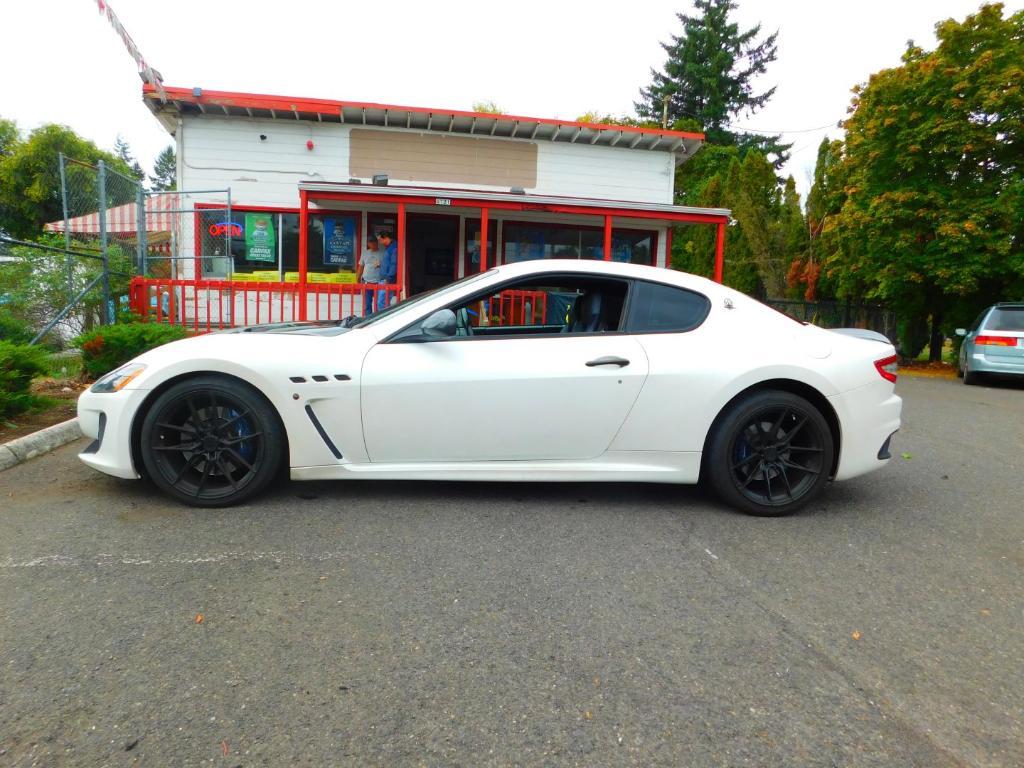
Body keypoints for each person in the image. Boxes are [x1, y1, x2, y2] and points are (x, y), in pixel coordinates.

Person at [357, 236, 382, 316]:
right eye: (370, 242)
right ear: (368, 244)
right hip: (366, 282)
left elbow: (386, 266)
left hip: (379, 282)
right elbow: (361, 267)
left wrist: (381, 265)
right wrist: (358, 279)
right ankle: (368, 321)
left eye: (374, 242)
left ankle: (378, 320)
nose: (373, 244)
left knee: (379, 304)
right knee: (367, 304)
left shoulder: (384, 253)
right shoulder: (365, 253)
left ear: (377, 242)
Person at [377, 230, 398, 308]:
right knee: (382, 302)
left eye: (380, 240)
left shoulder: (394, 248)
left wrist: (388, 279)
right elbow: (389, 263)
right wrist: (381, 264)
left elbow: (394, 264)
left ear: (385, 238)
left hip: (387, 280)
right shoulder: (389, 247)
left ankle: (383, 320)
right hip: (384, 279)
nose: (379, 242)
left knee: (382, 303)